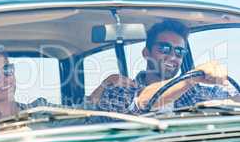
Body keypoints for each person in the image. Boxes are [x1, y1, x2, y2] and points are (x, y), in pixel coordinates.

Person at [89, 20, 235, 114]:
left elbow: (234, 100)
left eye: (179, 52)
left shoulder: (195, 92)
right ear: (146, 53)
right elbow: (142, 100)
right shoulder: (120, 89)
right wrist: (192, 78)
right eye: (164, 49)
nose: (172, 56)